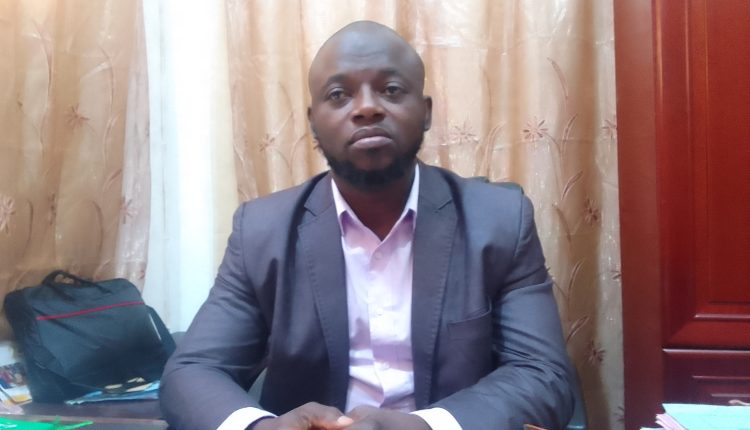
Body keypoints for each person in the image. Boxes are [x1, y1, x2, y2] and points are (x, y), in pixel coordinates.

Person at [160, 20, 575, 430]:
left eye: (391, 90)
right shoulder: (262, 232)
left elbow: (542, 374)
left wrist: (425, 427)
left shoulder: (499, 221)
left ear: (426, 113)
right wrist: (263, 429)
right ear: (313, 123)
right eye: (339, 95)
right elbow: (193, 371)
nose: (366, 108)